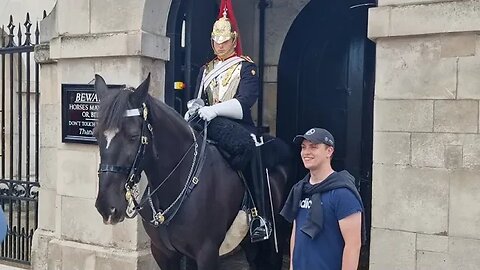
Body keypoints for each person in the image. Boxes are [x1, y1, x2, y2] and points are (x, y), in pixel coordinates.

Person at [184, 0, 270, 242]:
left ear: (233, 40)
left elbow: (244, 103)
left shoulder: (246, 67)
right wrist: (195, 108)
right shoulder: (205, 69)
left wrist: (214, 110)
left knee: (247, 148)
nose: (219, 46)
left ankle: (257, 215)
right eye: (216, 41)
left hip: (236, 125)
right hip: (207, 123)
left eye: (224, 42)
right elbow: (199, 98)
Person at [280, 128, 365, 270]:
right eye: (303, 147)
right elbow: (296, 233)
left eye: (313, 147)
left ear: (329, 151)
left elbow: (353, 245)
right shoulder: (300, 189)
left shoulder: (343, 194)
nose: (306, 152)